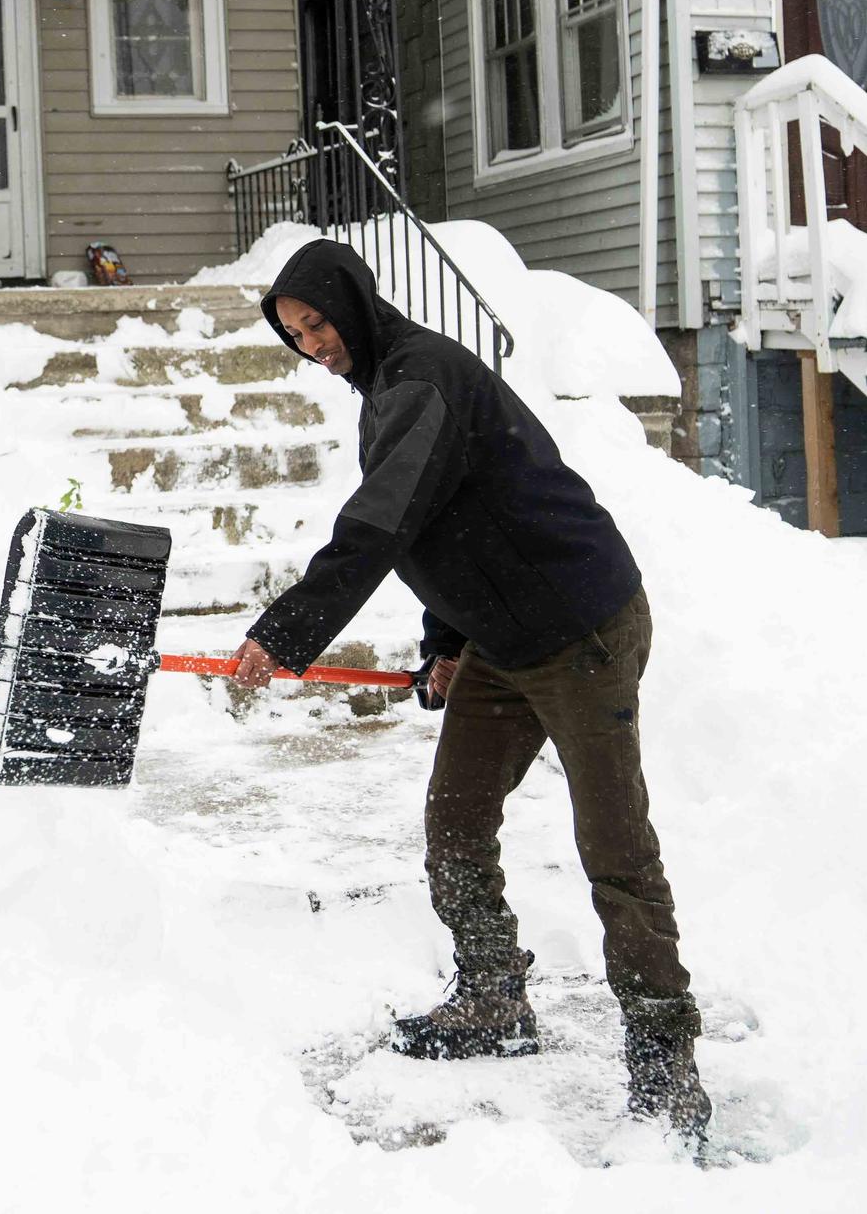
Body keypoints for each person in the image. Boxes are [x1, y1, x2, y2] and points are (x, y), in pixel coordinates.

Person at [226, 239, 712, 1142]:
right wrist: (447, 641)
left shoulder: (423, 381)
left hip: (580, 627)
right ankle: (493, 996)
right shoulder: (391, 385)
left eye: (318, 324)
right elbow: (449, 521)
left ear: (353, 303)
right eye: (295, 335)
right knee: (455, 820)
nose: (312, 346)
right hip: (502, 635)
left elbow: (379, 524)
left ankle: (665, 1057)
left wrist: (284, 631)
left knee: (615, 847)